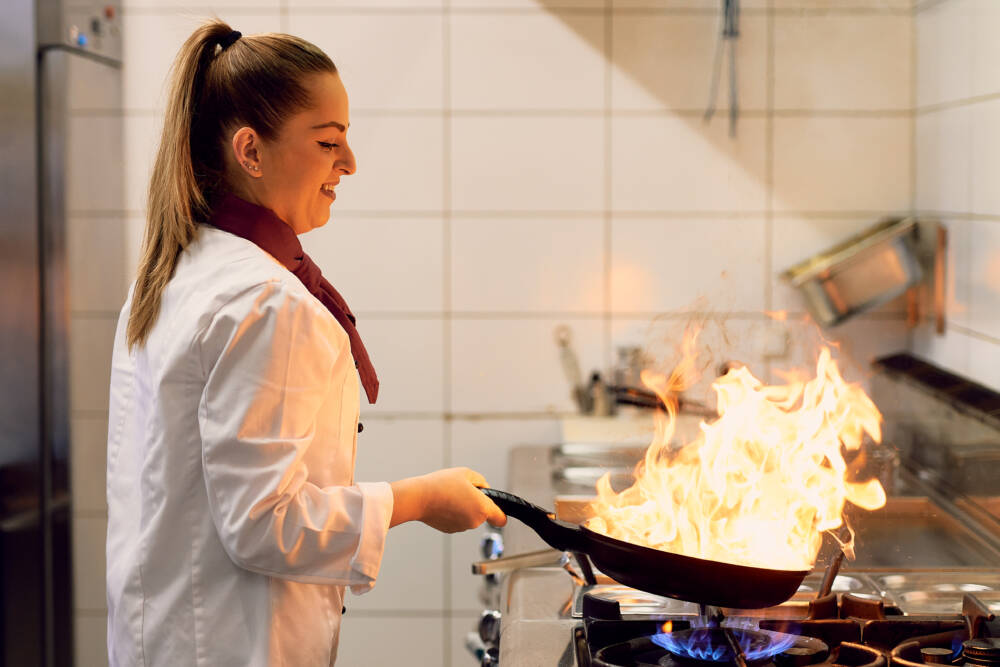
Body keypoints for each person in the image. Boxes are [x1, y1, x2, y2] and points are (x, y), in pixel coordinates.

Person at [105, 20, 506, 666]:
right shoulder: (267, 301)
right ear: (251, 152)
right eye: (328, 143)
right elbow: (264, 522)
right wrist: (421, 498)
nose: (348, 164)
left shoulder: (174, 270)